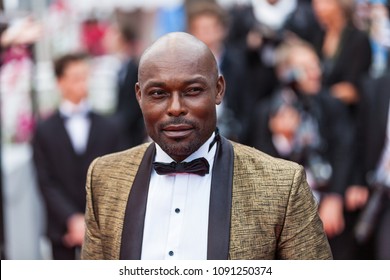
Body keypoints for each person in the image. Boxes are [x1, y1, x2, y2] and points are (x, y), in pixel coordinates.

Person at [81, 32, 332, 260]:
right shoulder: (104, 178)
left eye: (192, 90)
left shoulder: (282, 185)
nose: (175, 107)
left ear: (218, 90)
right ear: (139, 96)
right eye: (158, 93)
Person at [246, 39, 354, 259]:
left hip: (328, 197)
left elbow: (345, 150)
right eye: (306, 68)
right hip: (285, 210)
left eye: (316, 66)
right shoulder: (266, 111)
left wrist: (335, 197)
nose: (315, 73)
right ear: (287, 73)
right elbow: (259, 167)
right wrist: (282, 139)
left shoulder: (330, 104)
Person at [32, 52, 124, 259]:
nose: (82, 83)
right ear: (60, 82)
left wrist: (91, 221)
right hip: (60, 227)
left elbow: (115, 177)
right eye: (75, 78)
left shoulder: (110, 127)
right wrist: (72, 219)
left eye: (85, 76)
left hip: (102, 226)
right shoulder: (43, 130)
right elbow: (45, 181)